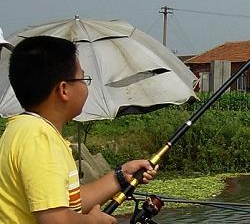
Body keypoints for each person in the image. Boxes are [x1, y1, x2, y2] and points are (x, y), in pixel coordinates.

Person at [0, 35, 158, 224]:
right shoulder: (39, 138)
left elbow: (66, 203)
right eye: (83, 78)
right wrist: (92, 221)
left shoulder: (23, 129)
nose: (85, 85)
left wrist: (120, 177)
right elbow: (55, 219)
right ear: (64, 90)